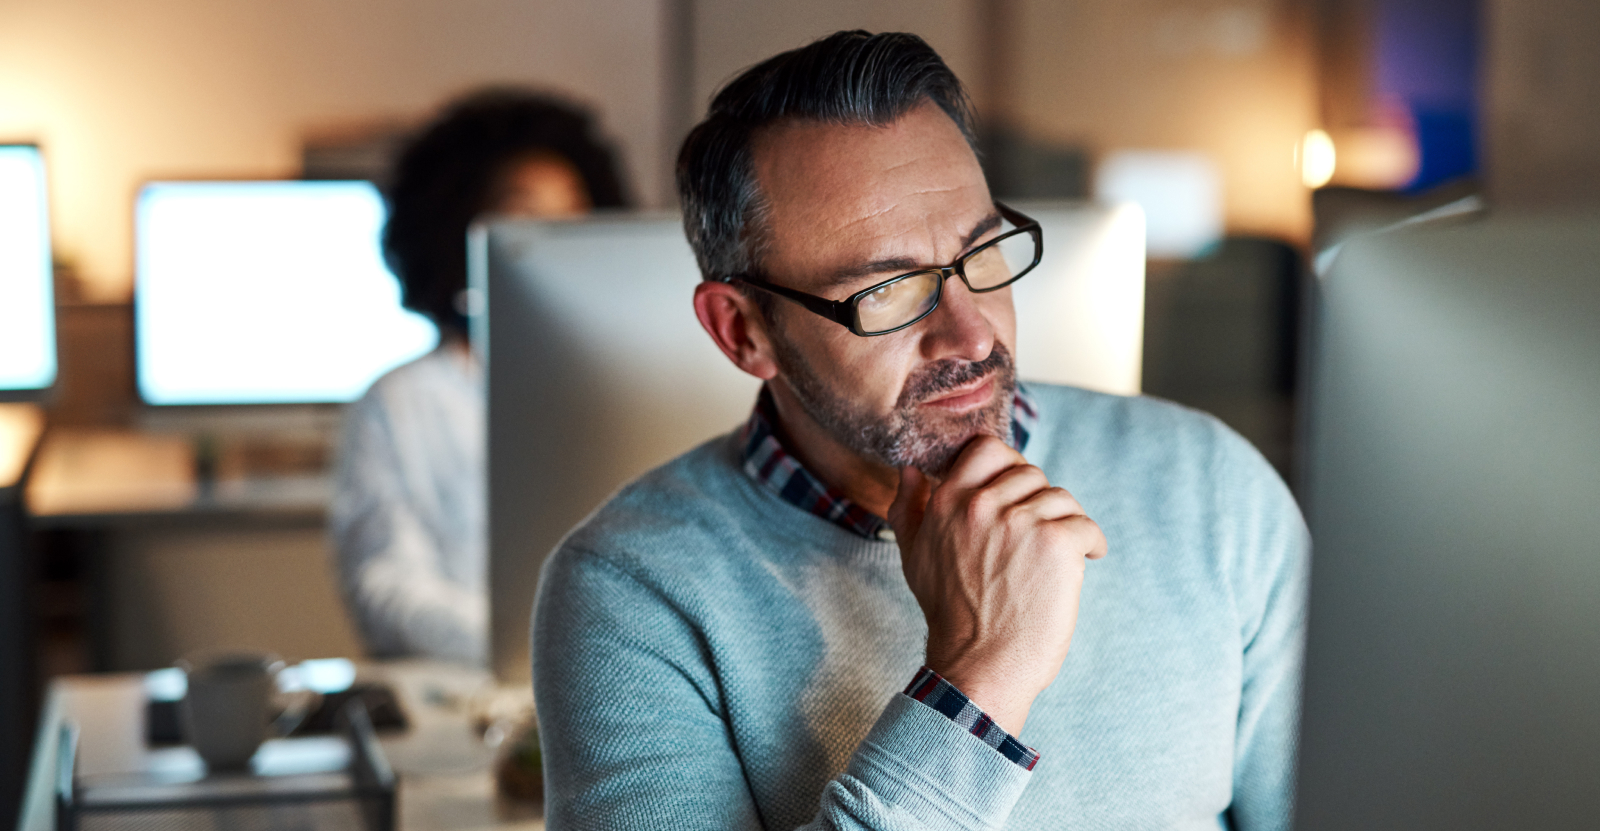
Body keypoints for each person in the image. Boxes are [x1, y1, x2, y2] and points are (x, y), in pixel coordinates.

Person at [532, 31, 1308, 830]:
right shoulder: (631, 590)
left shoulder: (1214, 489)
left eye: (981, 255)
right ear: (742, 330)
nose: (972, 337)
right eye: (891, 292)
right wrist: (980, 678)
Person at [331, 89, 629, 665]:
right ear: (457, 229)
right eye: (525, 216)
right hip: (464, 691)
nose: (550, 242)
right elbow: (385, 588)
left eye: (572, 220)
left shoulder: (617, 396)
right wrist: (538, 643)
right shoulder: (401, 403)